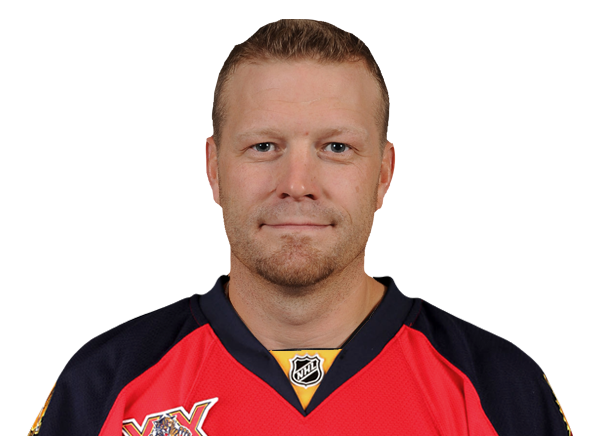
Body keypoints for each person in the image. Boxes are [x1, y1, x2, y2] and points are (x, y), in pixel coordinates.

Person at [31, 19, 570, 436]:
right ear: (214, 169)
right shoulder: (104, 385)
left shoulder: (498, 391)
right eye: (264, 145)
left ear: (383, 174)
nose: (297, 183)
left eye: (336, 147)